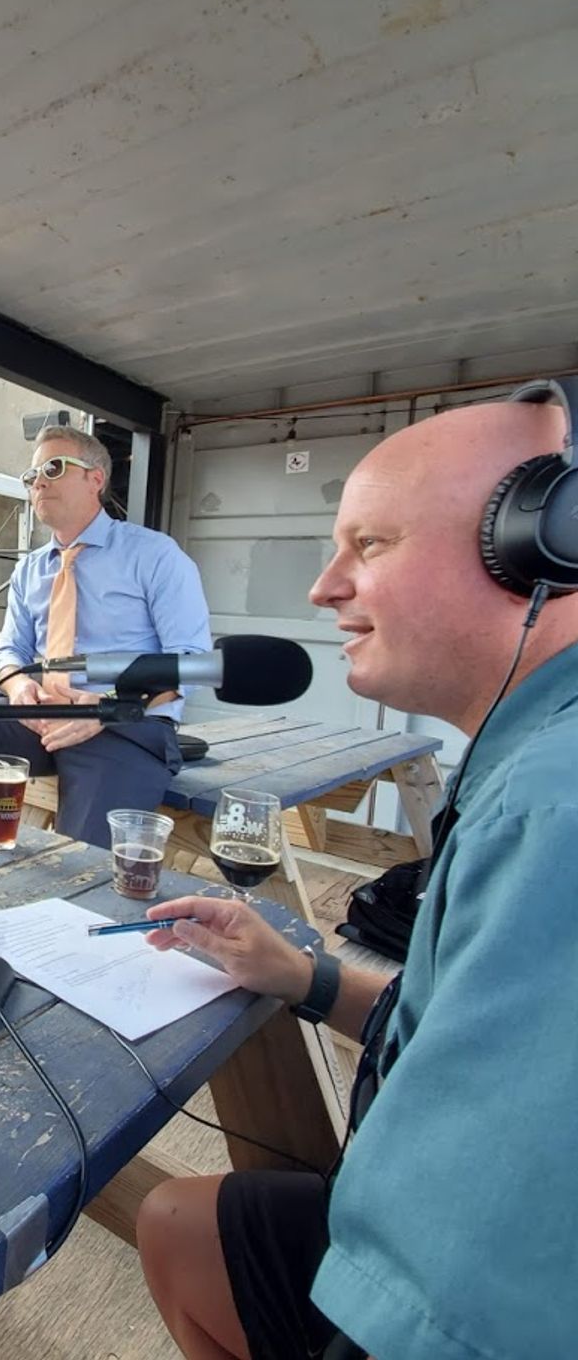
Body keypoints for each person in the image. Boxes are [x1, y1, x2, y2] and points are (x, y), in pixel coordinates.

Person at [134, 392, 578, 1360]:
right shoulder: (529, 757)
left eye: (367, 544)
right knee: (179, 1223)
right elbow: (448, 1019)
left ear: (539, 546)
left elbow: (472, 1302)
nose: (322, 587)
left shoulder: (552, 806)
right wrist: (306, 975)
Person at [0, 424, 212, 847]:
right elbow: (9, 650)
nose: (37, 481)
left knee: (81, 853)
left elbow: (194, 662)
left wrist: (110, 704)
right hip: (39, 717)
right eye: (31, 475)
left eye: (53, 468)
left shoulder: (155, 555)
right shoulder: (30, 569)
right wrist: (18, 688)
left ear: (96, 478)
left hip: (123, 725)